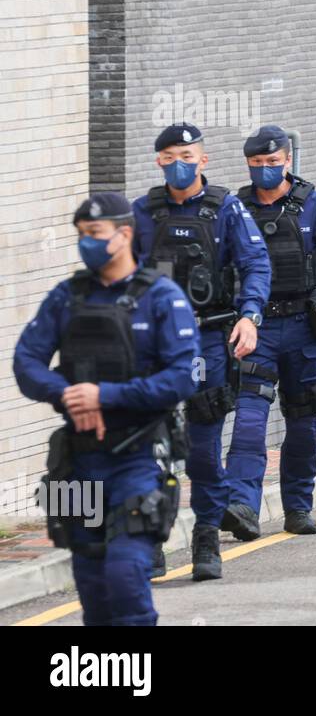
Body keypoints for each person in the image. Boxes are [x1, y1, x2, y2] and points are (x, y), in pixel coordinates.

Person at [14, 192, 199, 624]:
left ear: (124, 234)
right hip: (78, 458)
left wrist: (105, 396)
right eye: (81, 235)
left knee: (125, 574)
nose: (87, 243)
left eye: (95, 234)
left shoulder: (161, 298)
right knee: (91, 582)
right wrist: (68, 395)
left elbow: (184, 377)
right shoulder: (66, 297)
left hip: (138, 457)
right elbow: (26, 362)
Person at [132, 122, 272, 581]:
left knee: (203, 449)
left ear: (204, 160)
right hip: (154, 345)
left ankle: (207, 537)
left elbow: (255, 264)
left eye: (188, 156)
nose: (179, 165)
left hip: (208, 339)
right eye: (170, 156)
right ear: (159, 160)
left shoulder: (225, 209)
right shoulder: (143, 213)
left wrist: (249, 316)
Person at [232, 125, 316, 535]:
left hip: (303, 327)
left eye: (273, 163)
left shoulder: (313, 204)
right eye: (257, 164)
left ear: (288, 160)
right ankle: (241, 506)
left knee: (303, 418)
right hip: (256, 328)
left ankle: (297, 506)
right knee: (250, 418)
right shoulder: (235, 208)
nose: (265, 170)